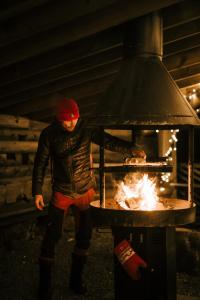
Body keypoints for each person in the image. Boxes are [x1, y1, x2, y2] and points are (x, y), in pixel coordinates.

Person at [32, 98, 146, 299]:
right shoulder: (48, 134)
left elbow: (108, 140)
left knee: (84, 236)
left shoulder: (86, 129)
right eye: (66, 121)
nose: (70, 124)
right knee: (52, 236)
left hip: (85, 190)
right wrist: (37, 191)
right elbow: (40, 163)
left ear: (78, 116)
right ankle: (44, 286)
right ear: (59, 119)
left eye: (73, 119)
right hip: (62, 191)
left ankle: (76, 281)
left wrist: (131, 149)